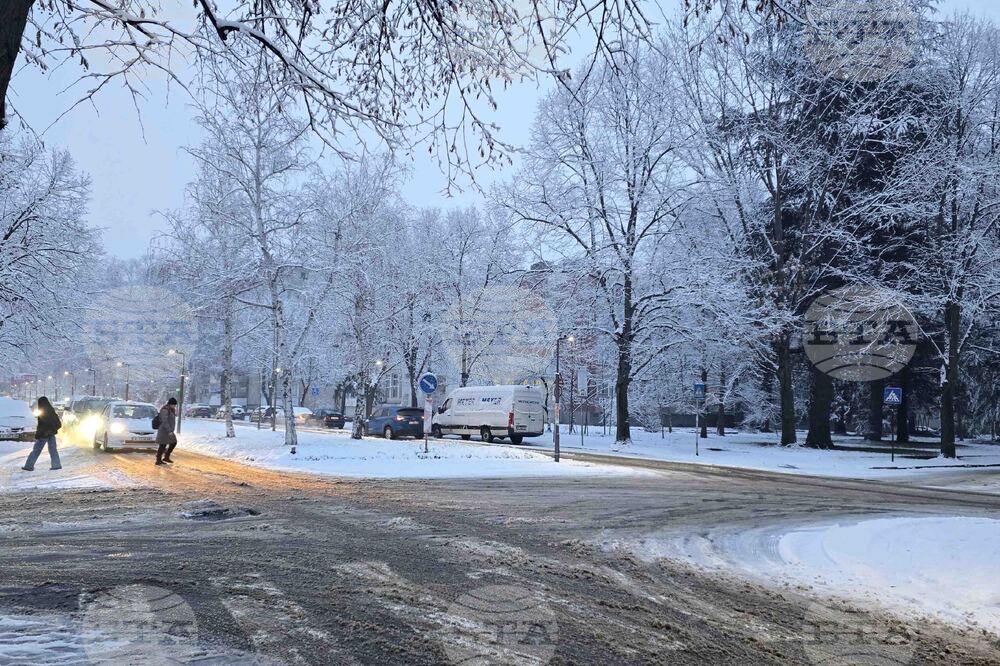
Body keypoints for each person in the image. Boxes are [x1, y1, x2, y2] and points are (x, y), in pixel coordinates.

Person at [22, 396, 62, 472]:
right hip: (51, 434)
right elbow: (58, 424)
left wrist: (38, 434)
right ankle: (56, 465)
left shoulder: (42, 412)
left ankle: (29, 466)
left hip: (43, 434)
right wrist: (52, 430)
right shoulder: (52, 411)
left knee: (36, 450)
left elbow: (42, 425)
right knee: (53, 450)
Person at [155, 397, 178, 466]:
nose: (174, 406)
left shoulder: (171, 410)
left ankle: (166, 457)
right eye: (174, 405)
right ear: (170, 404)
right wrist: (169, 430)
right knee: (162, 445)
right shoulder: (165, 410)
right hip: (164, 430)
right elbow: (164, 421)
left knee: (173, 442)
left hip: (169, 430)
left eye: (175, 405)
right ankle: (158, 460)